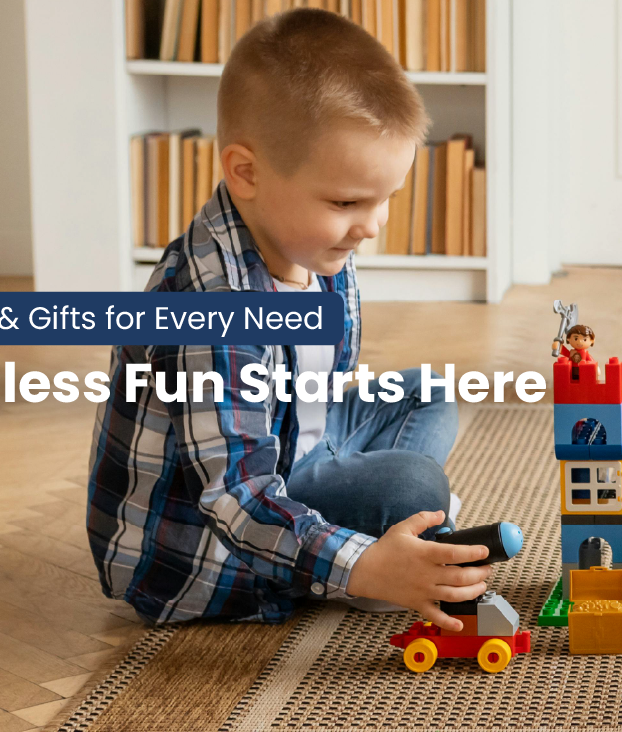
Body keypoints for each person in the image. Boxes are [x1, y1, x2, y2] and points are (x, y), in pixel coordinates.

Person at [86, 9, 495, 633]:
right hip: (210, 550)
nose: (372, 225)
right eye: (347, 202)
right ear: (245, 172)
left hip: (293, 442)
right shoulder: (208, 310)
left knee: (430, 395)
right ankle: (372, 560)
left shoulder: (314, 243)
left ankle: (381, 532)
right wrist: (361, 564)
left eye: (386, 198)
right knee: (416, 486)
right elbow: (236, 496)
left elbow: (317, 391)